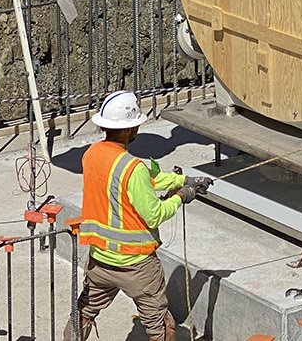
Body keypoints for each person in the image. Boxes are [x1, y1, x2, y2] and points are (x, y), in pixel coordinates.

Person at [75, 91, 213, 341]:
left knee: (83, 313)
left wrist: (184, 179)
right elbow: (154, 214)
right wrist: (181, 196)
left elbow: (147, 178)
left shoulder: (91, 155)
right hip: (136, 264)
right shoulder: (132, 167)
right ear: (129, 128)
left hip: (99, 260)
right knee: (162, 326)